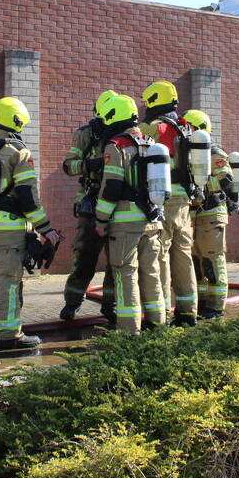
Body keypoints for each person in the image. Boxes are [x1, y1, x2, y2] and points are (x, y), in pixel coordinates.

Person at [0, 97, 61, 350]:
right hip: (8, 233)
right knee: (7, 282)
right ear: (15, 122)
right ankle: (9, 337)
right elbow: (28, 197)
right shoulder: (18, 152)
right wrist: (45, 228)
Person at [94, 94, 165, 334]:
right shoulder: (148, 141)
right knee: (151, 273)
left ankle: (129, 331)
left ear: (114, 116)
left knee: (126, 275)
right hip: (152, 221)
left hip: (125, 225)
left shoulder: (116, 146)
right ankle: (157, 324)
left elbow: (111, 186)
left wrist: (101, 219)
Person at [139, 81, 199, 326]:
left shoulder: (154, 127)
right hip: (185, 200)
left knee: (160, 255)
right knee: (183, 255)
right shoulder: (187, 127)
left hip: (162, 199)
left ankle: (161, 315)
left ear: (153, 100)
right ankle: (187, 312)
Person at [60, 90, 117, 323]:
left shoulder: (125, 134)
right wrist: (92, 164)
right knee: (84, 257)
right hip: (91, 202)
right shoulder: (86, 134)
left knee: (117, 261)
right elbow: (68, 165)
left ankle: (110, 306)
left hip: (118, 202)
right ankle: (72, 304)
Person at [183, 110, 237, 320]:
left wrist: (203, 187)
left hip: (212, 214)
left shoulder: (215, 152)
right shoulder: (189, 153)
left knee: (213, 261)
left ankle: (216, 307)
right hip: (195, 214)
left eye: (187, 128)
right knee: (197, 261)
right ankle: (203, 302)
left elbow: (226, 179)